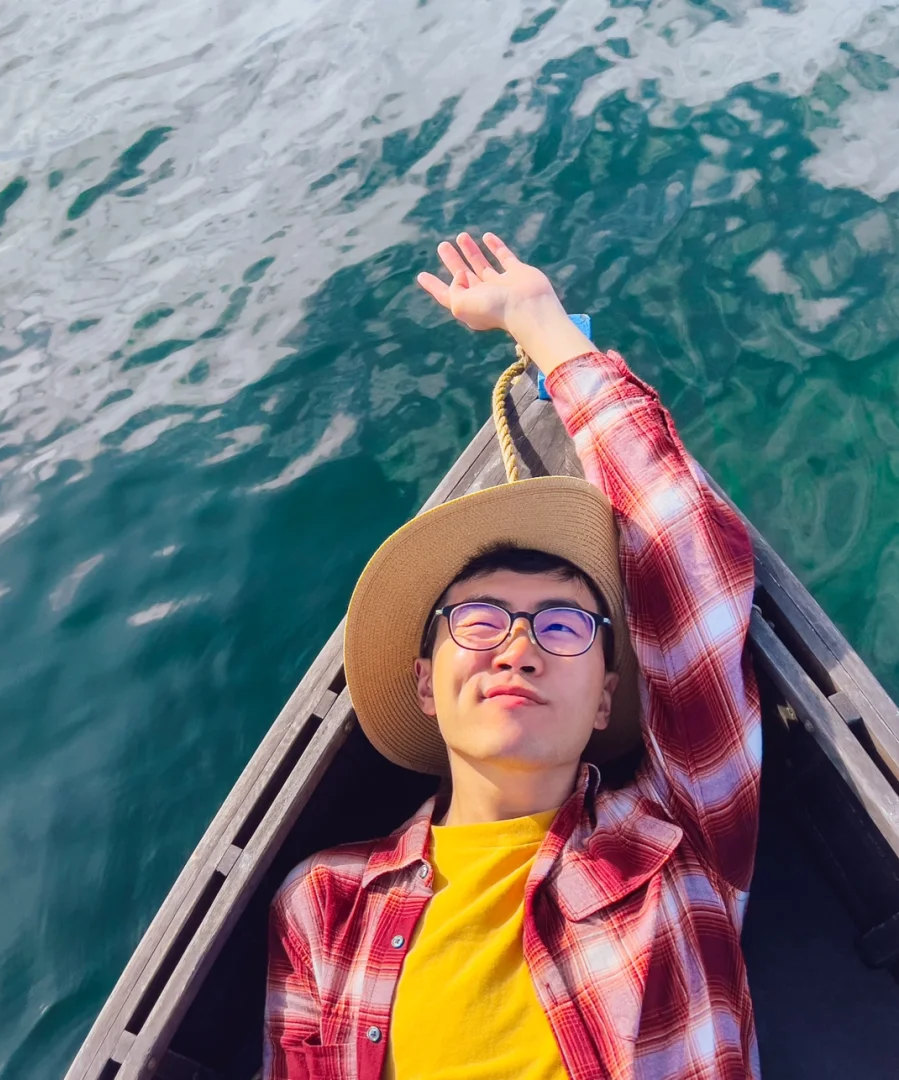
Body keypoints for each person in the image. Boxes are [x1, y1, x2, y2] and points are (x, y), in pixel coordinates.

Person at [263, 232, 761, 1079]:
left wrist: (538, 323)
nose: (519, 647)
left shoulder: (676, 837)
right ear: (425, 683)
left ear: (605, 698)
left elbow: (685, 548)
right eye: (480, 622)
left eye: (562, 626)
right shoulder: (321, 905)